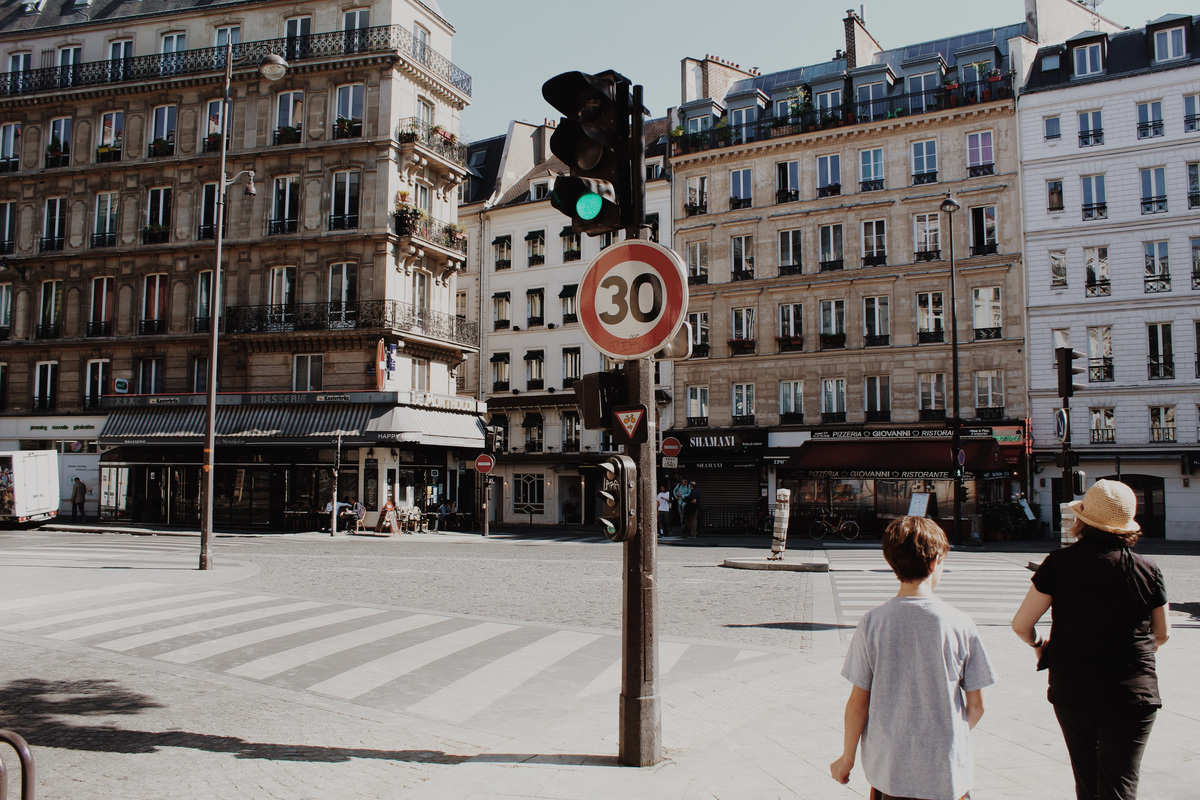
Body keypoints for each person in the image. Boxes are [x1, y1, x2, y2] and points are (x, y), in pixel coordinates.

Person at [1012, 479, 1170, 800]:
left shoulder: (1058, 563)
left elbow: (1021, 624)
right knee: (1120, 786)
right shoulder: (1148, 568)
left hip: (1073, 688)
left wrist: (1040, 645)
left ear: (1082, 520)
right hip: (1132, 693)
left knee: (1086, 782)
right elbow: (1163, 633)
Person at [831, 516, 996, 800]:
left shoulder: (873, 622)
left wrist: (847, 758)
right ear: (934, 562)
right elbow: (977, 706)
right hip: (946, 772)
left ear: (891, 562)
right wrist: (948, 737)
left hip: (890, 770)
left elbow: (858, 703)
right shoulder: (960, 623)